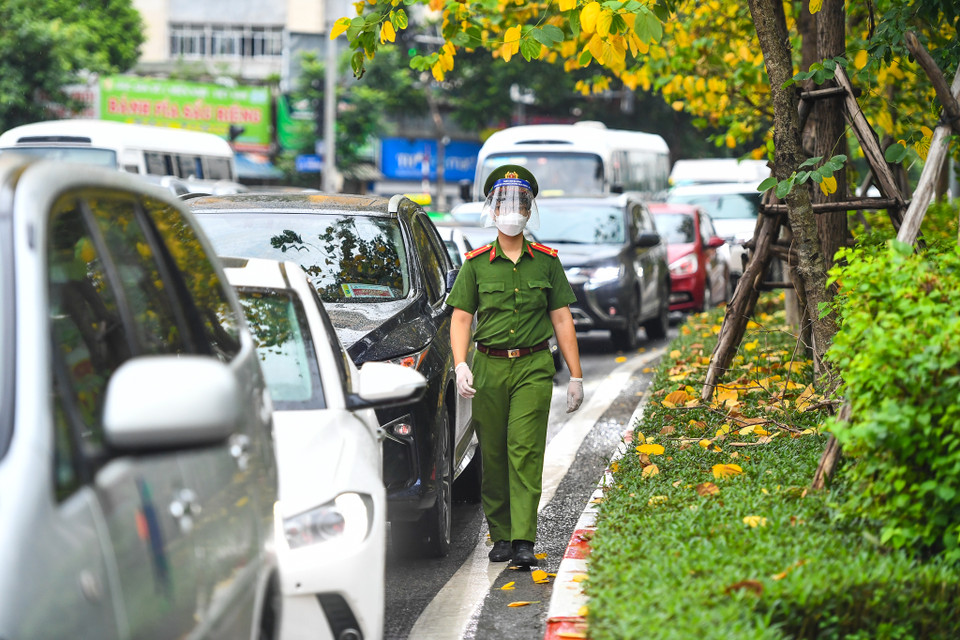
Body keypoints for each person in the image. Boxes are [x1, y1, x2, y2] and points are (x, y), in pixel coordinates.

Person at [446, 164, 584, 568]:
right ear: (492, 211)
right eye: (503, 203)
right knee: (493, 453)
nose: (511, 211)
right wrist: (460, 364)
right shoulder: (475, 264)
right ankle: (502, 535)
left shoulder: (546, 262)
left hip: (532, 366)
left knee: (524, 450)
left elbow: (562, 320)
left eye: (519, 204)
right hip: (488, 367)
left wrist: (576, 375)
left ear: (528, 211)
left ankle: (524, 538)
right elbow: (461, 319)